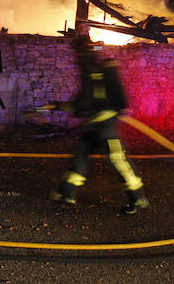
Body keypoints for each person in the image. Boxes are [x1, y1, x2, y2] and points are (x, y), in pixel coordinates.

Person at [50, 35, 148, 214]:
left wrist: (64, 106)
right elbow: (89, 94)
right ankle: (67, 193)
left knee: (118, 161)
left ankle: (138, 197)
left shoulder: (88, 66)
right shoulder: (98, 62)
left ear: (78, 50)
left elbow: (85, 99)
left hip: (104, 126)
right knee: (80, 157)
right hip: (94, 125)